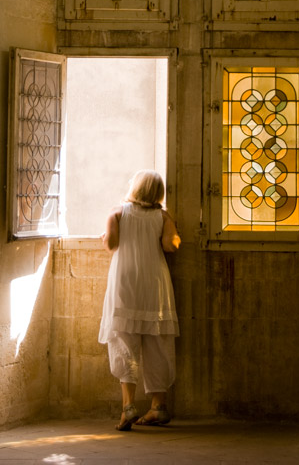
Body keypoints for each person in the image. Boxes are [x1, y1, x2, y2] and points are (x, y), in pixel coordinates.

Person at [99, 170, 181, 431]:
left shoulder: (118, 213)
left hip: (125, 280)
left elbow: (111, 244)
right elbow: (170, 246)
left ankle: (129, 407)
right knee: (158, 342)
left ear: (135, 188)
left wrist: (105, 237)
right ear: (159, 192)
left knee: (125, 339)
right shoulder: (163, 216)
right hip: (154, 281)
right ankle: (157, 407)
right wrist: (175, 235)